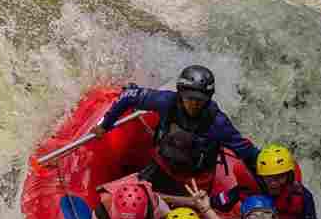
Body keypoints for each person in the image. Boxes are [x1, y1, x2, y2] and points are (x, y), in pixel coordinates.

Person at [91, 65, 260, 196]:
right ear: (180, 94)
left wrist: (268, 180)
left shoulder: (218, 123)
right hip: (162, 167)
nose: (194, 104)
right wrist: (106, 125)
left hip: (195, 181)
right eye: (190, 98)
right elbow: (129, 96)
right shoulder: (166, 101)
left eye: (200, 100)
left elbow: (247, 153)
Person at [210, 144, 321, 219]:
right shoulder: (247, 188)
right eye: (269, 178)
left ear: (289, 176)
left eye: (280, 177)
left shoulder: (302, 195)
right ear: (260, 177)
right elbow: (217, 203)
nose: (274, 183)